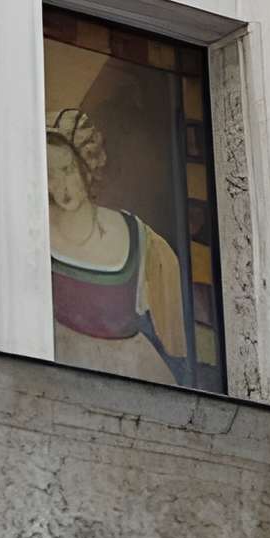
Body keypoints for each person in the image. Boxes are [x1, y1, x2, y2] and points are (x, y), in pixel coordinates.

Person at [45, 106, 188, 384]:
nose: (62, 186)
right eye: (51, 174)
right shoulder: (36, 237)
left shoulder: (139, 236)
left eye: (68, 169)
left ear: (87, 166)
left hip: (132, 371)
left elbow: (174, 337)